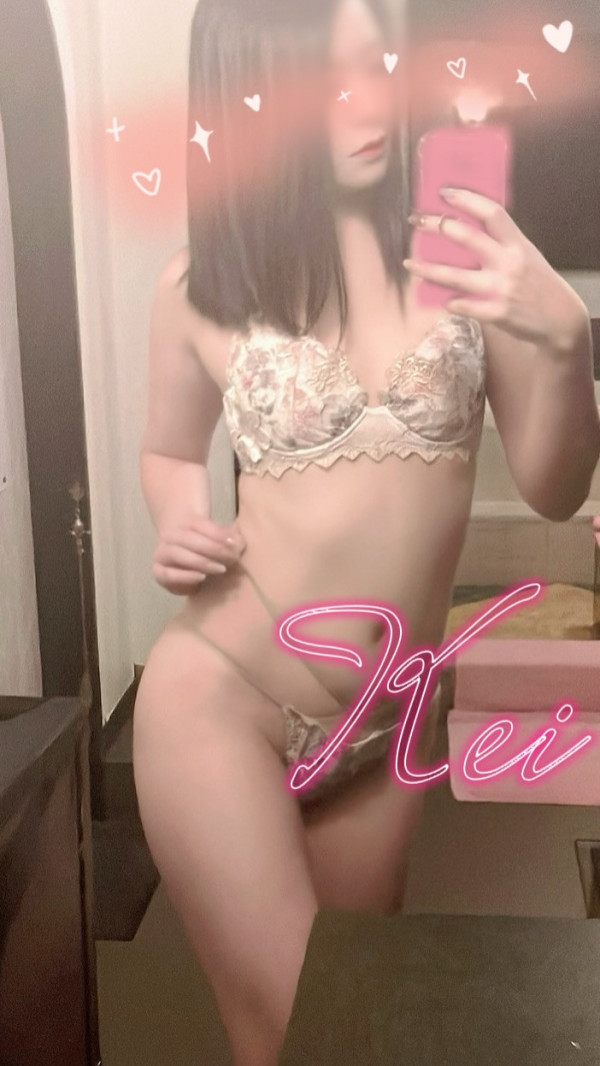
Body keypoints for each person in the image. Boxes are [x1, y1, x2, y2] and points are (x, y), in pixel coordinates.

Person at [132, 0, 600, 1063]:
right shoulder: (198, 287)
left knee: (349, 1025)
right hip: (226, 700)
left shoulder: (464, 253)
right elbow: (168, 449)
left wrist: (567, 343)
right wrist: (180, 515)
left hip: (391, 726)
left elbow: (552, 486)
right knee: (296, 1031)